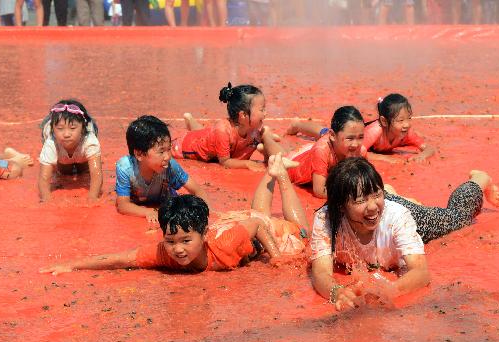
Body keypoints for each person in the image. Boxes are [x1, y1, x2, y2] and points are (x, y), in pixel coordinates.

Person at [40, 154, 308, 276]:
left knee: (301, 232)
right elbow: (122, 258)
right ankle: (273, 170)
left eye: (185, 241)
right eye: (171, 241)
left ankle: (281, 177)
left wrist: (276, 256)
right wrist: (73, 265)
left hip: (265, 233)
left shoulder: (223, 244)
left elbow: (257, 225)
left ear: (203, 236)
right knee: (257, 212)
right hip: (243, 226)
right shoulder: (164, 252)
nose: (177, 250)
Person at [310, 157, 429, 311]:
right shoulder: (326, 219)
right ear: (341, 206)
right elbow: (320, 273)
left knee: (456, 216)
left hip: (416, 218)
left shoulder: (398, 217)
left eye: (376, 194)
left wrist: (387, 291)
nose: (372, 206)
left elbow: (421, 272)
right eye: (360, 201)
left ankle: (472, 182)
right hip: (384, 206)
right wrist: (337, 292)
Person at [115, 115, 210, 228]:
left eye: (169, 149)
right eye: (161, 152)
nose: (168, 156)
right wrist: (147, 212)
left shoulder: (170, 166)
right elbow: (123, 205)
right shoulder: (125, 168)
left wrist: (202, 215)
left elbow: (198, 190)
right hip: (141, 208)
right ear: (139, 154)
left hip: (165, 202)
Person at [174, 83, 284, 171]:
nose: (265, 113)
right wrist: (247, 163)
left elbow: (275, 150)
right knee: (203, 136)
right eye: (262, 110)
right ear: (243, 115)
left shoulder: (252, 128)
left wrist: (267, 137)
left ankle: (190, 121)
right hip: (185, 147)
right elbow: (225, 161)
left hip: (208, 137)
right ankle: (190, 122)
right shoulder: (223, 131)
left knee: (205, 133)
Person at [382, 169, 499, 243]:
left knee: (459, 217)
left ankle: (480, 178)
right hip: (384, 201)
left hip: (413, 218)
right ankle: (393, 195)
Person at [285, 106, 368, 198]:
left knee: (324, 132)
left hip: (322, 147)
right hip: (297, 164)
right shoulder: (321, 151)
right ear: (332, 135)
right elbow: (319, 191)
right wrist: (350, 195)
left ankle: (297, 125)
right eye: (350, 138)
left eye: (360, 137)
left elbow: (365, 180)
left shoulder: (360, 151)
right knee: (278, 158)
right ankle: (267, 136)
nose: (356, 144)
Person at [37, 100, 103, 203]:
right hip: (54, 136)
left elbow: (96, 173)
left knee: (83, 170)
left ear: (82, 128)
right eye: (60, 128)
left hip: (84, 134)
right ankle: (59, 126)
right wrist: (46, 199)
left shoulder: (89, 140)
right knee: (64, 172)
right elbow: (44, 178)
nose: (66, 134)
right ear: (53, 129)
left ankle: (76, 126)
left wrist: (93, 197)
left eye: (72, 128)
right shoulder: (51, 142)